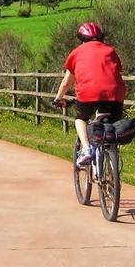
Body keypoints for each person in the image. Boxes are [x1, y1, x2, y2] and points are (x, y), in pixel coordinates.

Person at [53, 22, 126, 166]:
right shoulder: (110, 50)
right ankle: (112, 162)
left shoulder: (77, 52)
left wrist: (58, 98)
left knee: (80, 118)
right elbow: (116, 72)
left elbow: (66, 82)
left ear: (81, 39)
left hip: (88, 94)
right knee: (109, 128)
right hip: (115, 95)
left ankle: (86, 149)